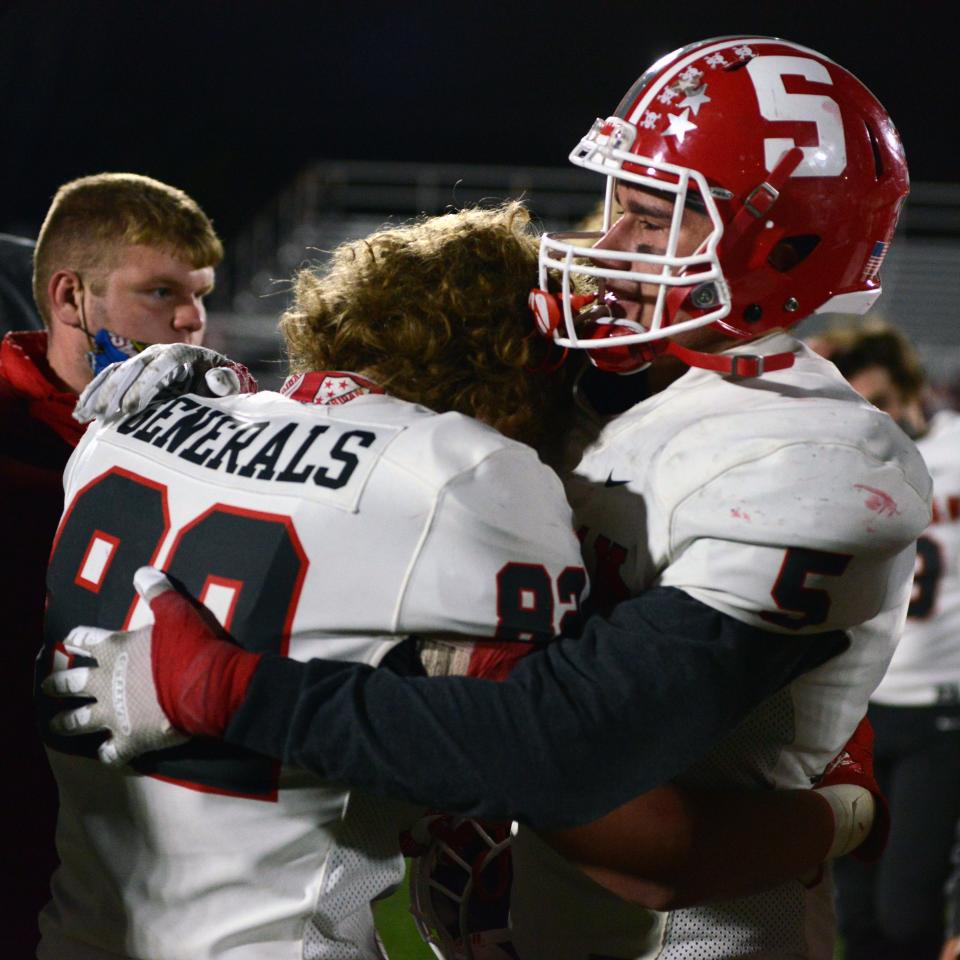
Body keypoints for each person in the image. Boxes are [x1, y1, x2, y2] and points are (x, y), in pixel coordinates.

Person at [46, 37, 930, 959]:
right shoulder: (586, 380)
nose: (609, 247)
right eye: (616, 206)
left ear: (785, 246)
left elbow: (587, 769)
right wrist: (251, 408)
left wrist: (232, 689)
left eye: (656, 217)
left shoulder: (819, 461)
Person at [0, 171, 222, 956]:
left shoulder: (208, 435)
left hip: (150, 861)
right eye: (160, 293)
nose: (193, 320)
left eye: (200, 293)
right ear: (70, 298)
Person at [812, 322, 960, 960]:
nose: (871, 415)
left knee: (908, 909)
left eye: (877, 397)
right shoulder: (845, 462)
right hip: (860, 708)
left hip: (939, 709)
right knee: (856, 908)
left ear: (909, 388)